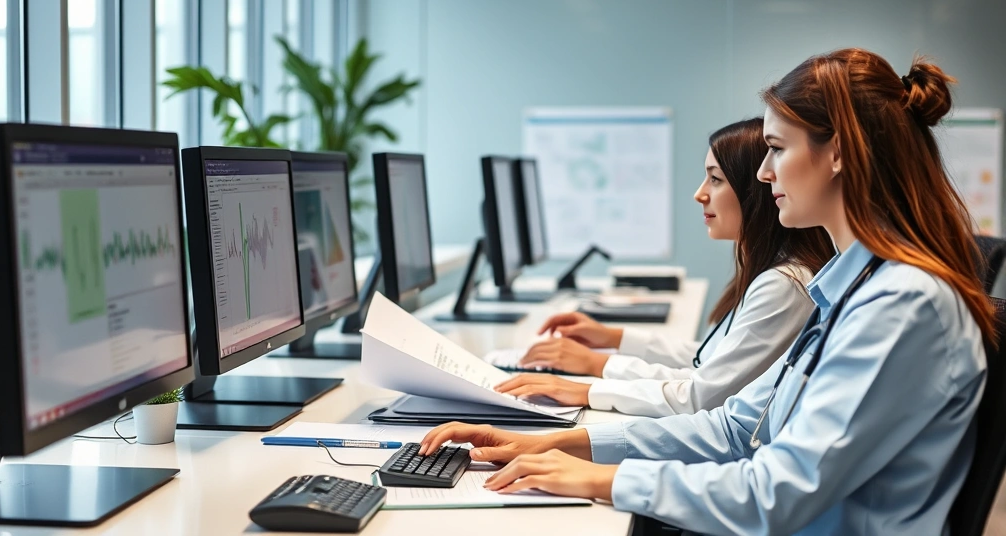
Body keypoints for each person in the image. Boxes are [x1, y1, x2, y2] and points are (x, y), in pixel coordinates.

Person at [421, 49, 994, 534]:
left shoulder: (901, 306)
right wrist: (565, 446)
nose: (764, 172)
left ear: (839, 152)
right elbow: (735, 426)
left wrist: (605, 478)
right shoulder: (853, 289)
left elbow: (777, 493)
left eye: (777, 147)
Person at [494, 118, 834, 416]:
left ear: (754, 192)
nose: (700, 194)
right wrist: (613, 338)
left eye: (715, 180)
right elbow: (709, 360)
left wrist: (593, 378)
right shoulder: (772, 272)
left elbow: (702, 394)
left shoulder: (784, 285)